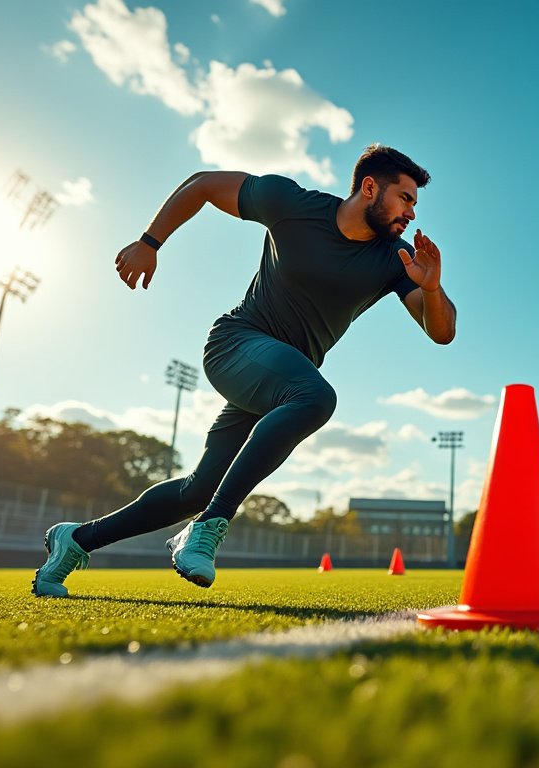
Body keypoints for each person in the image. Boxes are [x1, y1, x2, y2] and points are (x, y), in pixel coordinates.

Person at [33, 145, 455, 597]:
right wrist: (149, 242)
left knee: (196, 489)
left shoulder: (397, 259)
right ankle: (209, 528)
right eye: (406, 198)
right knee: (316, 399)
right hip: (237, 345)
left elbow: (442, 331)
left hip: (280, 385)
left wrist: (430, 288)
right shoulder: (292, 203)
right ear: (370, 187)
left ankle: (75, 540)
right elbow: (204, 186)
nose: (411, 213)